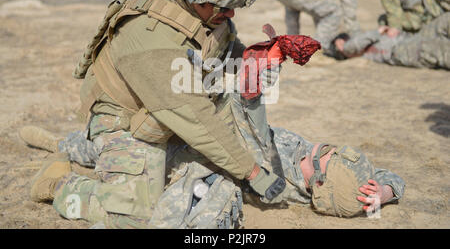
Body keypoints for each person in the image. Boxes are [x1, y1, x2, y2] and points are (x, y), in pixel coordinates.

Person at [25, 0, 286, 229]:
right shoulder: (150, 39)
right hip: (125, 121)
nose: (231, 13)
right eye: (222, 7)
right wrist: (251, 173)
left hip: (164, 112)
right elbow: (196, 117)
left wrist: (258, 57)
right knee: (134, 218)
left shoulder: (203, 2)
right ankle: (58, 182)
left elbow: (221, 52)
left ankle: (73, 145)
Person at [21, 86, 406, 221]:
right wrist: (384, 193)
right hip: (201, 134)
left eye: (320, 159)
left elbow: (246, 110)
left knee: (119, 150)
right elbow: (390, 178)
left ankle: (61, 164)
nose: (319, 149)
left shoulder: (278, 175)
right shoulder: (327, 168)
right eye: (330, 150)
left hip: (191, 157)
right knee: (99, 141)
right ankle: (60, 144)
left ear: (314, 184)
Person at [332, 12, 450, 70]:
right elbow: (352, 46)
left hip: (412, 38)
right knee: (439, 47)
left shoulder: (363, 39)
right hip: (401, 51)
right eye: (340, 43)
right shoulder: (350, 48)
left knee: (445, 19)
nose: (343, 44)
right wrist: (379, 31)